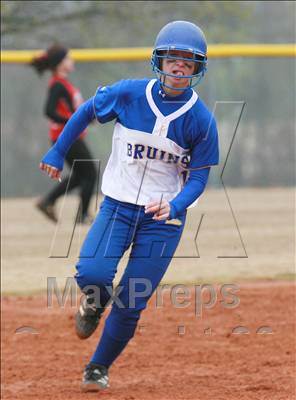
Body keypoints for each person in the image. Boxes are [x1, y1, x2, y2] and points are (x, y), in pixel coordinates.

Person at [39, 21, 219, 391]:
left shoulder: (201, 120)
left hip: (163, 219)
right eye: (173, 58)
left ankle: (97, 367)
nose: (179, 66)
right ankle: (93, 304)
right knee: (93, 275)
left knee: (132, 298)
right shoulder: (129, 94)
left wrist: (175, 204)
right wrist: (58, 151)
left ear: (199, 67)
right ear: (159, 60)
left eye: (189, 60)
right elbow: (88, 110)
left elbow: (199, 178)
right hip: (119, 205)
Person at [31, 44, 96, 224]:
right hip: (65, 137)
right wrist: (73, 123)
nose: (71, 60)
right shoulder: (58, 84)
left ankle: (48, 201)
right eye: (68, 58)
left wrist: (87, 117)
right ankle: (82, 215)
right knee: (90, 172)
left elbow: (72, 110)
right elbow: (49, 111)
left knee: (80, 174)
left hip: (69, 136)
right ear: (60, 63)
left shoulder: (64, 84)